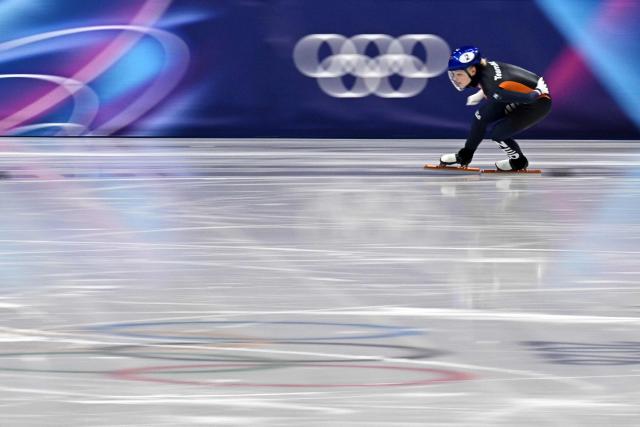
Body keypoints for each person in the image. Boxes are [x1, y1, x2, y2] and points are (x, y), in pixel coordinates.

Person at [440, 46, 551, 171]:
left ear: (472, 71)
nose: (455, 78)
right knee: (480, 117)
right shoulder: (485, 69)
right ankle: (465, 155)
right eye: (453, 74)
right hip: (520, 94)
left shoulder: (491, 87)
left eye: (459, 74)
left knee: (498, 134)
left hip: (538, 102)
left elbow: (529, 98)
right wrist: (481, 93)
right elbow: (502, 82)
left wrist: (538, 91)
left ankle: (518, 162)